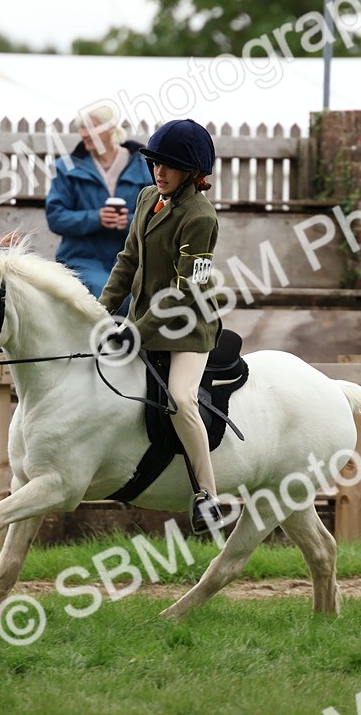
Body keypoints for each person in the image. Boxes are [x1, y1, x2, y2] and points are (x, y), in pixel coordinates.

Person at [98, 119, 224, 533]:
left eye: (169, 166)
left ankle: (207, 496)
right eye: (155, 164)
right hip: (143, 321)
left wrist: (135, 331)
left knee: (181, 399)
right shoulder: (146, 197)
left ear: (192, 173)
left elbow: (186, 291)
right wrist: (100, 312)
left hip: (188, 328)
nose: (159, 172)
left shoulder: (200, 217)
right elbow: (127, 260)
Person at [45, 104, 150, 299]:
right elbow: (55, 217)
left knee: (148, 295)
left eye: (91, 127)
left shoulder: (144, 167)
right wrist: (96, 218)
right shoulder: (65, 168)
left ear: (110, 128)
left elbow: (158, 214)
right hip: (82, 260)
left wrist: (129, 222)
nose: (84, 134)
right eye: (81, 128)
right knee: (110, 294)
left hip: (133, 259)